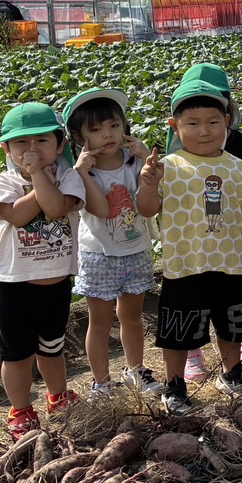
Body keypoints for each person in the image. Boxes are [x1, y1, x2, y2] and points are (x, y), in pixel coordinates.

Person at [137, 78, 242, 415]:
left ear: (226, 123)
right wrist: (148, 185)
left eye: (213, 122)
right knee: (178, 331)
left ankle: (231, 374)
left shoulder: (237, 167)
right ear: (174, 126)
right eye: (192, 123)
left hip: (233, 263)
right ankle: (175, 385)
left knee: (232, 325)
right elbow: (148, 209)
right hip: (185, 266)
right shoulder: (169, 167)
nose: (204, 131)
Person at [0, 102, 85, 440]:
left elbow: (56, 207)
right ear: (6, 149)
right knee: (17, 356)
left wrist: (40, 175)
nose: (31, 150)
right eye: (21, 143)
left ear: (60, 145)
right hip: (15, 287)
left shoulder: (69, 176)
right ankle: (21, 411)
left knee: (52, 349)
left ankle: (57, 397)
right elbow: (15, 216)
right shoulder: (3, 182)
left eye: (41, 141)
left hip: (56, 285)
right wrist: (38, 177)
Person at [175, 63, 242, 381]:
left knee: (238, 298)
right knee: (194, 300)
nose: (204, 127)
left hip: (236, 240)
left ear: (228, 107)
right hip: (193, 244)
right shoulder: (179, 149)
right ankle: (194, 357)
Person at [63, 88, 160, 399]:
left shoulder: (135, 163)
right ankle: (102, 383)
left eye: (114, 126)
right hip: (98, 255)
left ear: (125, 126)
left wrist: (148, 167)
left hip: (136, 250)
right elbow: (102, 210)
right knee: (100, 322)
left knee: (131, 316)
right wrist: (82, 172)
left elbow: (147, 210)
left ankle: (136, 371)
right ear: (79, 138)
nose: (107, 134)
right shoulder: (79, 173)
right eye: (95, 130)